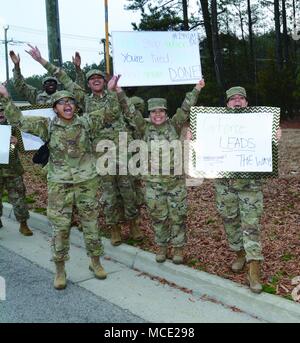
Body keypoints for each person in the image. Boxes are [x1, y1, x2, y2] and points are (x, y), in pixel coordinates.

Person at [25, 45, 142, 246]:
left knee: (128, 189)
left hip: (122, 151)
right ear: (88, 84)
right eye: (92, 78)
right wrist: (41, 60)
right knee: (108, 193)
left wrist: (117, 90)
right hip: (100, 153)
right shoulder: (84, 100)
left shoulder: (115, 96)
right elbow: (64, 77)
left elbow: (132, 115)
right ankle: (114, 227)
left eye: (99, 78)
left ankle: (133, 223)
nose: (96, 80)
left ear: (105, 82)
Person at [0, 85, 108, 290]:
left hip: (86, 182)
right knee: (60, 227)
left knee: (91, 223)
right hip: (60, 184)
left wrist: (114, 92)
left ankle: (95, 262)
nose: (67, 104)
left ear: (75, 106)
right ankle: (60, 269)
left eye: (70, 101)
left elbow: (110, 112)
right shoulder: (46, 125)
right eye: (62, 102)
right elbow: (18, 121)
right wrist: (6, 97)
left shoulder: (87, 122)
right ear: (55, 108)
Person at [117, 78, 205, 264]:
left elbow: (186, 107)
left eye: (161, 111)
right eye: (154, 111)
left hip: (175, 183)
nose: (157, 114)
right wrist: (119, 91)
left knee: (177, 216)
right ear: (149, 113)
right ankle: (162, 247)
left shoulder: (175, 124)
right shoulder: (143, 127)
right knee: (158, 216)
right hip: (153, 184)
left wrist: (197, 88)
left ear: (166, 112)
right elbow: (129, 110)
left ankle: (178, 249)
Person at [215, 86, 281, 294]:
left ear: (246, 103)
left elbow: (268, 155)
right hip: (225, 187)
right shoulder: (215, 124)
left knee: (250, 227)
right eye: (232, 99)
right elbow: (204, 150)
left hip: (250, 188)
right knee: (231, 223)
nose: (236, 101)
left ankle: (254, 271)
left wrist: (275, 140)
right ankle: (239, 255)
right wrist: (194, 139)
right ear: (226, 105)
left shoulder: (259, 123)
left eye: (240, 98)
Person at [0, 101, 33, 236]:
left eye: (2, 111)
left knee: (19, 197)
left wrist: (17, 141)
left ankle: (23, 224)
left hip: (13, 169)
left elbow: (27, 147)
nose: (0, 114)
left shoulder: (14, 127)